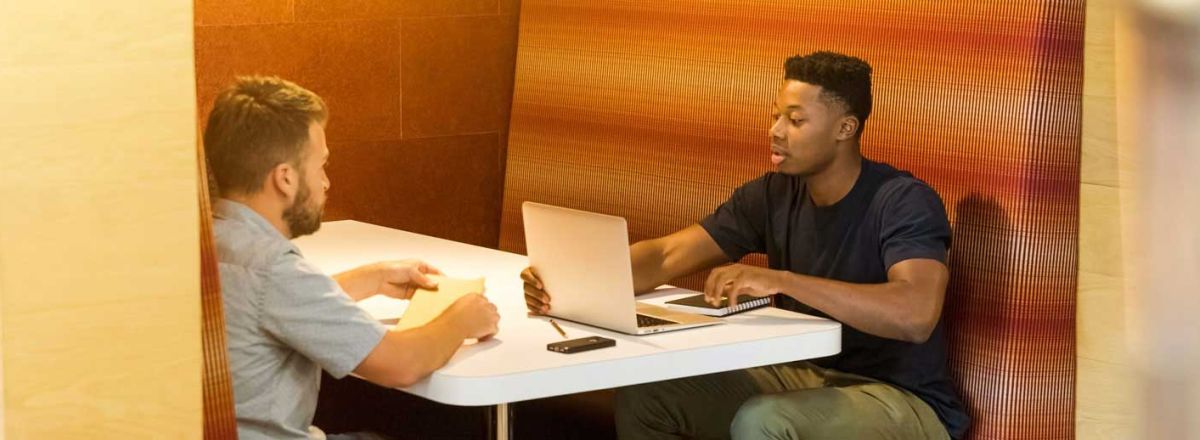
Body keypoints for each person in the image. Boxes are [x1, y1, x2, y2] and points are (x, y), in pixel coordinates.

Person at [522, 51, 969, 439]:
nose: (776, 131)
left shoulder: (902, 201)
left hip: (901, 399)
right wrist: (568, 280)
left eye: (796, 120)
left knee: (765, 421)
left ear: (845, 128)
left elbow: (914, 315)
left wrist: (783, 281)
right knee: (648, 398)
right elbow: (667, 255)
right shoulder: (773, 194)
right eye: (776, 116)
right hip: (805, 374)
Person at [206, 76, 500, 440]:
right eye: (320, 166)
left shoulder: (208, 244)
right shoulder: (275, 268)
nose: (326, 182)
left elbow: (267, 305)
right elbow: (400, 364)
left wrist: (369, 279)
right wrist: (461, 319)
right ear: (285, 178)